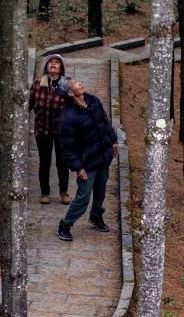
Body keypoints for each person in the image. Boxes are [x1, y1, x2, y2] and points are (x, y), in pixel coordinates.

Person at [56, 78, 119, 242]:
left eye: (78, 81)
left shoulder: (93, 100)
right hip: (87, 162)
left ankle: (96, 216)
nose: (80, 83)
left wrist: (113, 141)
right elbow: (67, 148)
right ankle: (65, 225)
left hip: (103, 156)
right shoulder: (68, 117)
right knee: (83, 196)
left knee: (101, 190)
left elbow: (105, 123)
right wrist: (78, 167)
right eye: (75, 84)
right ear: (70, 93)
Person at [29, 54, 70, 205]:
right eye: (50, 62)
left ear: (61, 67)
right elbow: (29, 103)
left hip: (62, 131)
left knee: (62, 162)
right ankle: (45, 193)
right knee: (44, 161)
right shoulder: (38, 83)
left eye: (56, 63)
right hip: (42, 129)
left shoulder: (66, 84)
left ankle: (64, 192)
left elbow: (74, 105)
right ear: (46, 67)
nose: (53, 64)